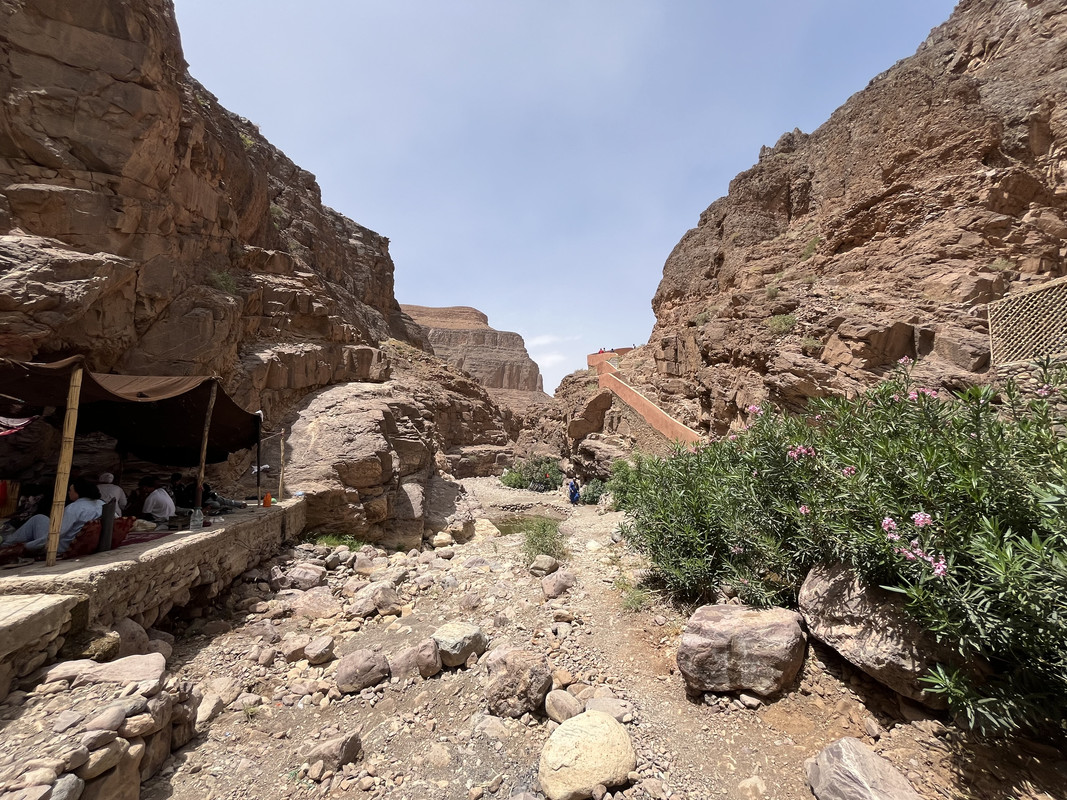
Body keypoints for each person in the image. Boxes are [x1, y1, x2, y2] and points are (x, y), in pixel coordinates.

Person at [1, 478, 102, 557]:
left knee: (35, 521)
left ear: (78, 492)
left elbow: (57, 534)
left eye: (70, 490)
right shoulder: (101, 503)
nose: (68, 492)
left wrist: (27, 546)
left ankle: (6, 545)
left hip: (61, 546)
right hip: (78, 539)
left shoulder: (75, 508)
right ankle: (8, 541)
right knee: (40, 518)